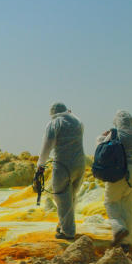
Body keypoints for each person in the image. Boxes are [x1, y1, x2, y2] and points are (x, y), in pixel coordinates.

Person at [99, 110, 132, 247]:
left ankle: (119, 228)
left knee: (111, 202)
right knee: (129, 205)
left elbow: (102, 152)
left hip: (119, 173)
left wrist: (101, 138)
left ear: (117, 121)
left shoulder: (115, 134)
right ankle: (126, 242)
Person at [34, 102, 85, 240]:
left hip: (62, 165)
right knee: (71, 197)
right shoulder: (77, 122)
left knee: (61, 198)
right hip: (80, 164)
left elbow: (47, 146)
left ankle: (67, 232)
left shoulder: (55, 123)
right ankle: (62, 224)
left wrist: (40, 165)